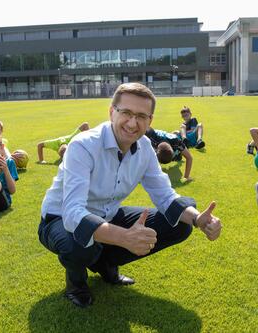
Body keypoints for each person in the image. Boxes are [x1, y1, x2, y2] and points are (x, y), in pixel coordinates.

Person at [38, 83, 222, 308]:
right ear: (111, 112)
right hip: (58, 220)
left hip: (107, 214)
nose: (133, 123)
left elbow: (164, 194)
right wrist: (124, 237)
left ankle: (105, 263)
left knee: (179, 225)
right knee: (77, 242)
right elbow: (72, 213)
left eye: (141, 116)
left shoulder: (144, 147)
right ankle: (76, 284)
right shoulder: (83, 145)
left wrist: (197, 218)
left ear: (150, 121)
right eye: (126, 113)